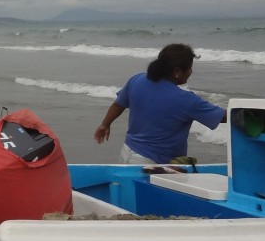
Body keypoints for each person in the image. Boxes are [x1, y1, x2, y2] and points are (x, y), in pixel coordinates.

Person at [93, 43, 226, 164]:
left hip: (127, 152)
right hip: (152, 162)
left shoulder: (137, 80)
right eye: (190, 68)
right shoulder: (186, 100)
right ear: (177, 71)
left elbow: (118, 104)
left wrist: (105, 124)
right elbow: (223, 116)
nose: (191, 72)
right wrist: (243, 110)